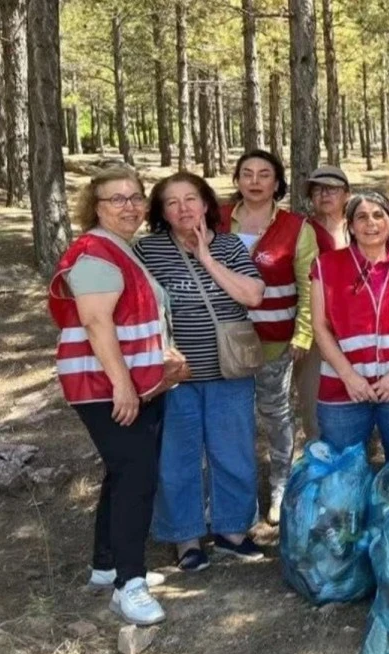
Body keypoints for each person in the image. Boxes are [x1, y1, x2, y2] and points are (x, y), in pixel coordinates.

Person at [48, 168, 170, 625]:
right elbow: (97, 323)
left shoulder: (123, 249)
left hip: (134, 384)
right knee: (136, 476)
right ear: (95, 208)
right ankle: (129, 585)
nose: (129, 206)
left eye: (136, 197)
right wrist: (122, 384)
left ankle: (107, 564)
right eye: (116, 199)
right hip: (106, 387)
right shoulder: (94, 252)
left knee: (122, 474)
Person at [134, 172, 267, 573]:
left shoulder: (229, 245)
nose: (183, 208)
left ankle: (231, 531)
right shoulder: (147, 250)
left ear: (206, 204)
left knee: (234, 451)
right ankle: (185, 537)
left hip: (230, 369)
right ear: (161, 212)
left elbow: (253, 295)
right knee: (178, 456)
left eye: (190, 199)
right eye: (171, 202)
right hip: (174, 374)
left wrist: (207, 258)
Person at [219, 149, 318, 524]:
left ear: (277, 183)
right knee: (232, 420)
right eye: (247, 173)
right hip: (224, 341)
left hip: (275, 339)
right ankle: (238, 498)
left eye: (264, 174)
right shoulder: (218, 219)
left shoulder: (296, 227)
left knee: (277, 417)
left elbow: (309, 287)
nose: (255, 181)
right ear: (238, 179)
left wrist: (303, 334)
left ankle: (281, 487)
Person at [311, 192, 389, 458]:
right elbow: (319, 326)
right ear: (351, 226)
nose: (371, 223)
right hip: (343, 387)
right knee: (342, 474)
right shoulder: (325, 266)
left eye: (379, 215)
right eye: (361, 217)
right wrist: (349, 377)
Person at [295, 165, 352, 444]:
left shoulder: (364, 224)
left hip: (361, 328)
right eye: (317, 190)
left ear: (347, 194)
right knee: (313, 398)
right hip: (319, 329)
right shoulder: (302, 231)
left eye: (332, 188)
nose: (324, 194)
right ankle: (319, 463)